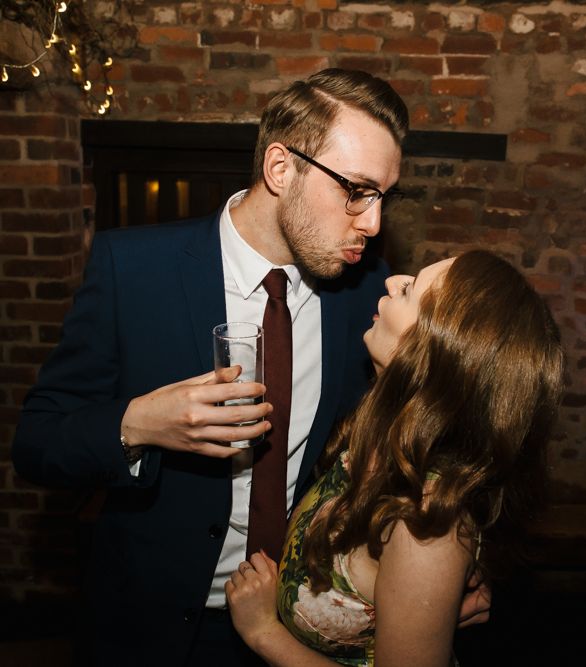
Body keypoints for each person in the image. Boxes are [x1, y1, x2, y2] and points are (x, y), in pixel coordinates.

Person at [11, 69, 488, 666]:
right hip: (145, 625)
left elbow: (405, 442)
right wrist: (137, 424)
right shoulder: (132, 269)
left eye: (384, 197)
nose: (372, 221)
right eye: (357, 190)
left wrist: (428, 590)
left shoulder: (367, 297)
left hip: (294, 630)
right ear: (281, 168)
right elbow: (38, 441)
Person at [225, 250, 565, 667]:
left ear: (433, 353)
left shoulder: (425, 523)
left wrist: (264, 633)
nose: (391, 281)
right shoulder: (381, 436)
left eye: (408, 290)